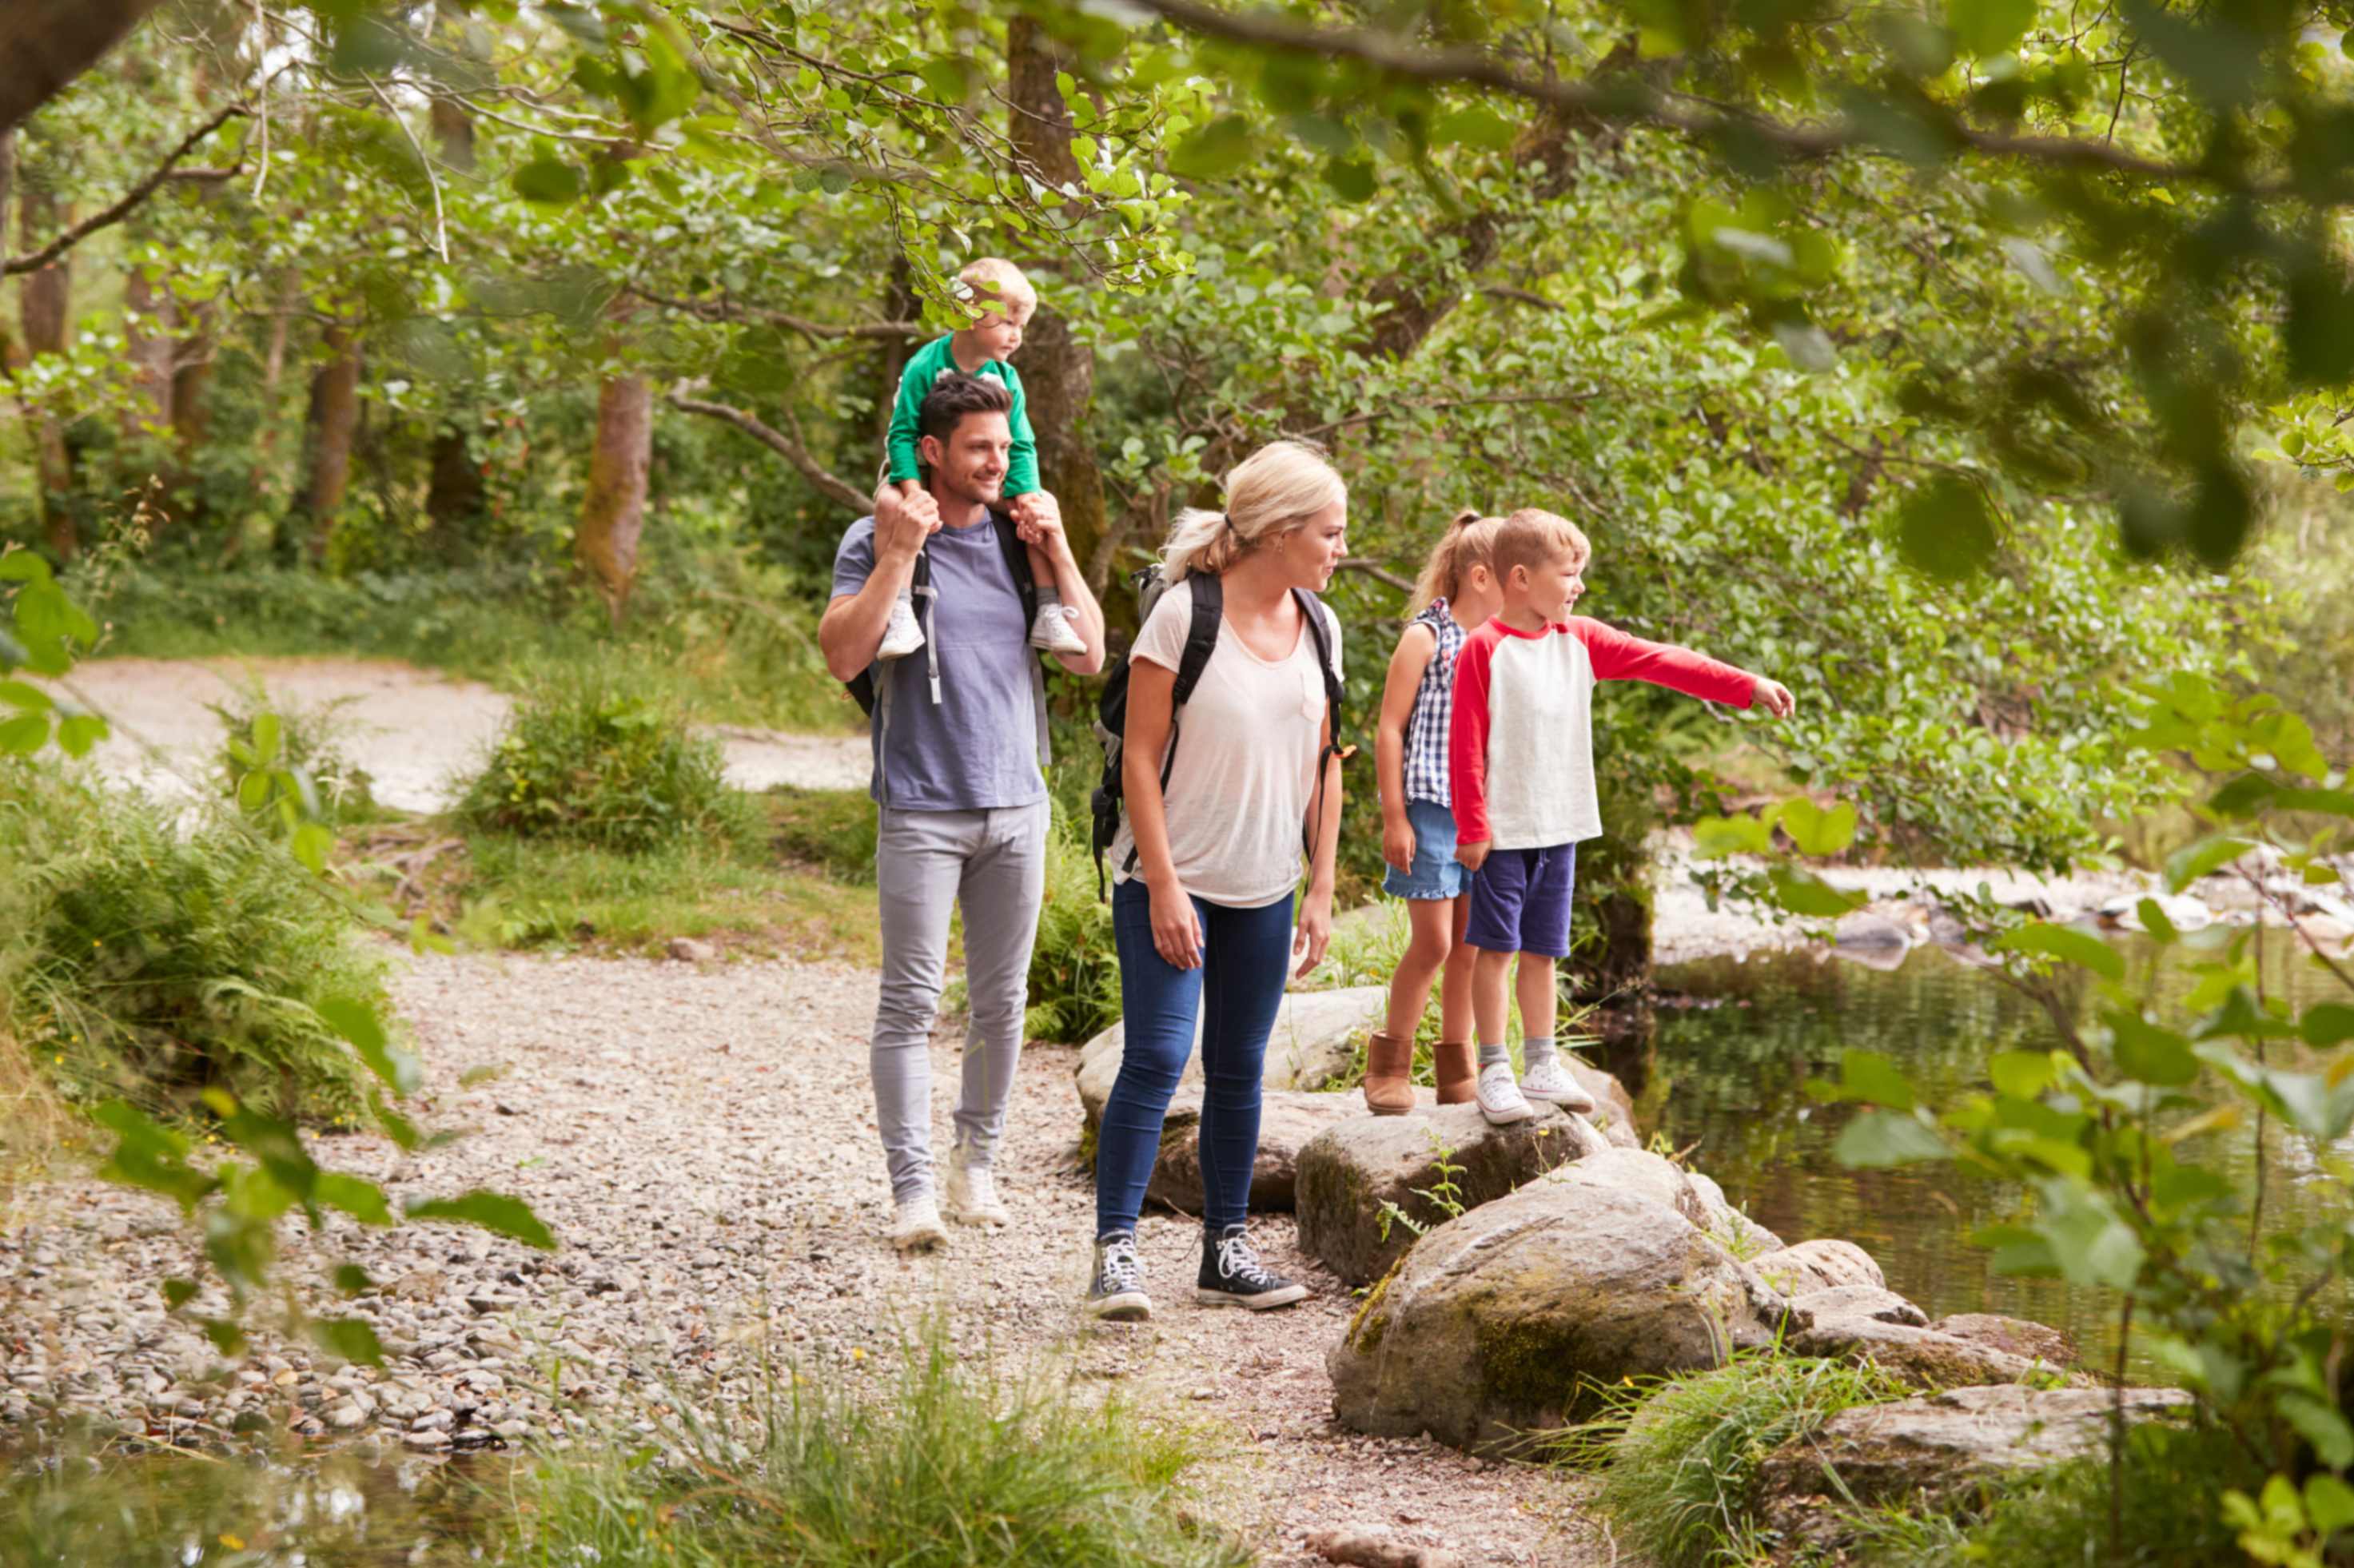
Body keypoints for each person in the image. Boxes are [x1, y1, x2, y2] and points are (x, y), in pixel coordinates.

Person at [820, 373, 1106, 1252]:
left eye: (1004, 445)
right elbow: (840, 655)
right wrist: (902, 556)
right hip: (919, 805)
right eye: (978, 447)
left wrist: (1057, 552)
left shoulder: (1023, 545)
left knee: (1001, 1002)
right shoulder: (873, 538)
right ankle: (912, 1192)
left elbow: (1091, 658)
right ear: (933, 451)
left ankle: (973, 1162)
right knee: (907, 1003)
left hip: (1016, 804)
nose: (997, 461)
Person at [1086, 440, 1349, 1322]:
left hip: (1266, 885)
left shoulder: (1320, 624)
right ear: (1278, 532)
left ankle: (1224, 1253)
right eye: (1329, 532)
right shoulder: (1182, 615)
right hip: (1171, 875)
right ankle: (1115, 1254)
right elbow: (1140, 757)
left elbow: (1326, 761)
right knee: (1159, 1054)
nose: (1338, 548)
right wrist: (1161, 887)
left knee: (1239, 1066)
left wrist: (1319, 889)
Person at [1449, 507, 1795, 1126]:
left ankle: (1540, 1064)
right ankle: (1493, 1069)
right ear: (1521, 578)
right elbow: (1465, 743)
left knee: (1542, 952)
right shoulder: (1484, 649)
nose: (1578, 585)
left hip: (1562, 826)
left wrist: (1745, 685)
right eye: (1569, 573)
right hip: (1503, 833)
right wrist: (1472, 827)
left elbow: (1660, 660)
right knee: (1493, 950)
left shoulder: (1578, 639)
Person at [1361, 509, 1505, 1116]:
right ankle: (1388, 1067)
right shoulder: (1427, 637)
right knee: (1434, 944)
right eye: (1515, 576)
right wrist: (1394, 817)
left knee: (1470, 946)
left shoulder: (1503, 641)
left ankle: (1456, 1070)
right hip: (1428, 811)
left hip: (1485, 815)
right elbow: (1389, 729)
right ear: (1480, 576)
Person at [876, 257, 1087, 661]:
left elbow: (1022, 445)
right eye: (1008, 324)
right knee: (889, 504)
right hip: (920, 468)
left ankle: (1048, 607)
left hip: (986, 473)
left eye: (1021, 326)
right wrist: (914, 492)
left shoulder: (1008, 378)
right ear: (970, 316)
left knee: (1041, 509)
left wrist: (1025, 494)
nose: (1017, 336)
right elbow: (901, 434)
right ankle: (899, 609)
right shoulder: (926, 365)